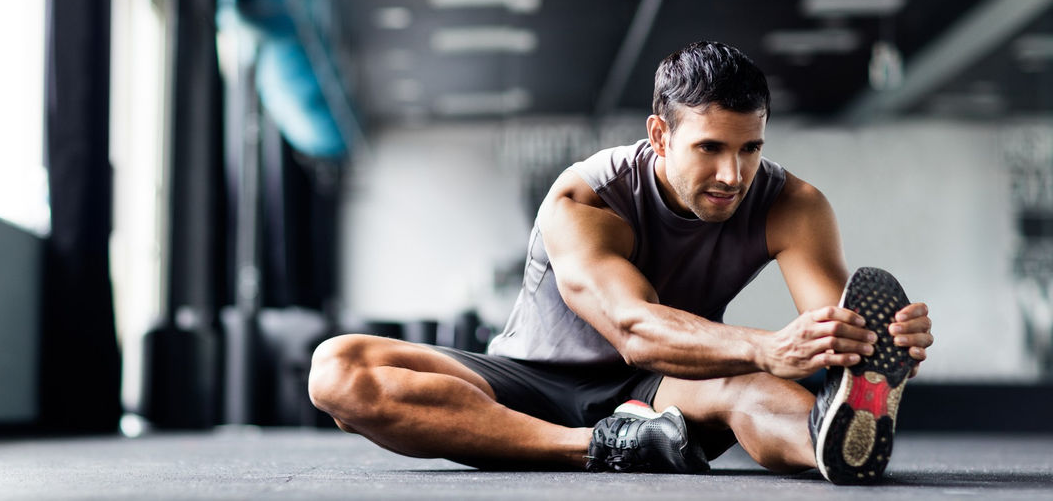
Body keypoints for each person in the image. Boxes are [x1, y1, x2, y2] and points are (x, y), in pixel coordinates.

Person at [308, 41, 934, 484]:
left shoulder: (792, 204)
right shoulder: (587, 197)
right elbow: (633, 328)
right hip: (525, 384)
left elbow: (826, 333)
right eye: (709, 148)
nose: (732, 174)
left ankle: (830, 447)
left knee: (752, 389)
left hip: (664, 391)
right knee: (336, 370)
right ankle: (600, 448)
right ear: (659, 136)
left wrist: (867, 344)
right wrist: (770, 346)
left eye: (751, 148)